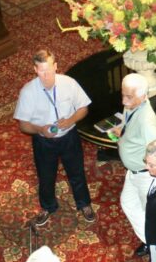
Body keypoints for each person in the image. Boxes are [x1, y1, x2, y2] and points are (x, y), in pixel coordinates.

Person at [14, 50, 96, 228]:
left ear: (56, 66)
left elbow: (84, 108)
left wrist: (70, 120)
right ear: (35, 69)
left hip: (69, 137)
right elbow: (23, 125)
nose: (46, 76)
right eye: (42, 71)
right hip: (43, 141)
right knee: (45, 176)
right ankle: (48, 207)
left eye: (50, 70)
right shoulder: (28, 92)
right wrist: (40, 129)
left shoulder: (69, 83)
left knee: (77, 172)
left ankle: (84, 204)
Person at [114, 73, 156, 256]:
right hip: (133, 172)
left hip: (145, 175)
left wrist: (151, 170)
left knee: (152, 215)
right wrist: (123, 129)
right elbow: (128, 117)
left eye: (129, 97)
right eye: (123, 94)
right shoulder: (133, 105)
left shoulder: (146, 121)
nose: (124, 101)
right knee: (128, 202)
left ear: (144, 96)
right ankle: (148, 240)